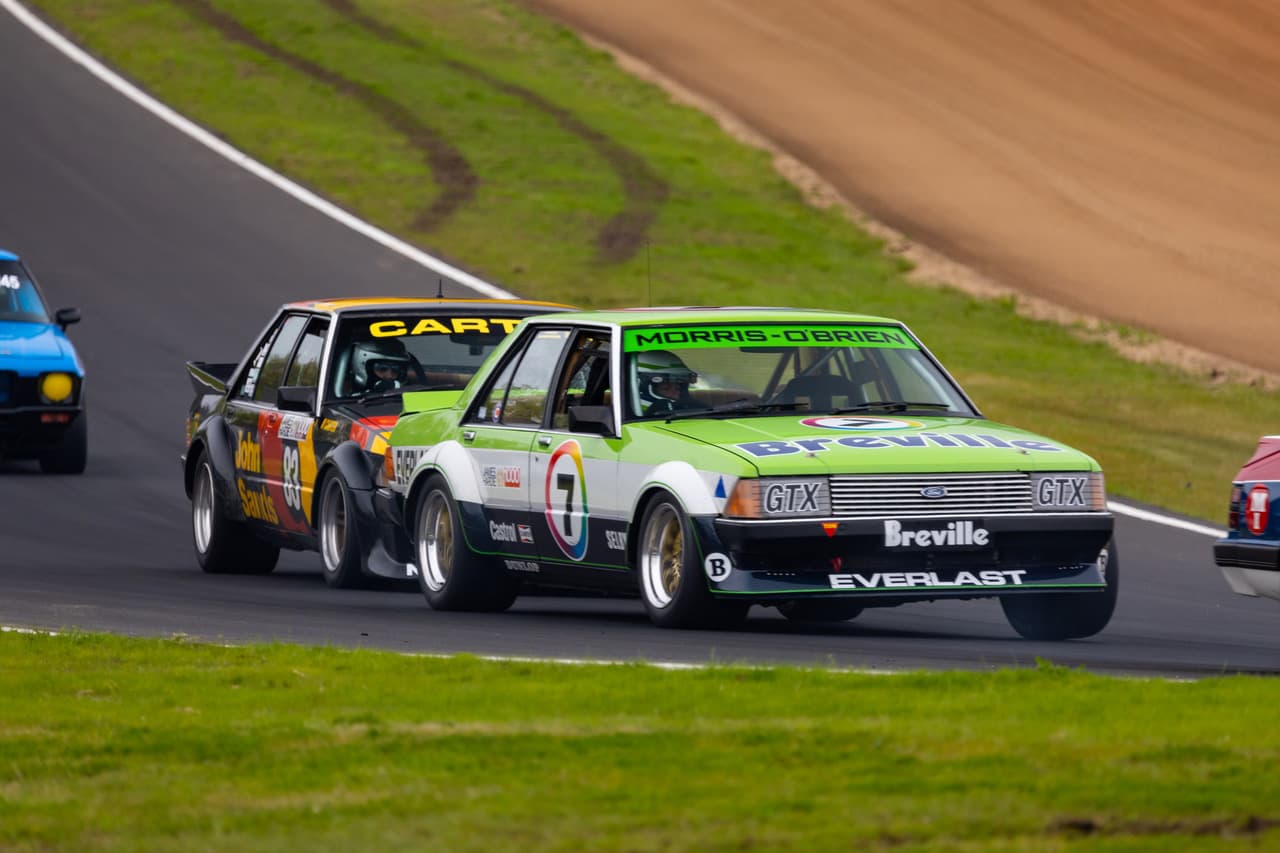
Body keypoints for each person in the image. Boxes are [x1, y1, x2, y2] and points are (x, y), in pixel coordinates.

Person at [634, 350, 699, 416]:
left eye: (678, 389)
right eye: (666, 389)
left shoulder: (699, 411)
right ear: (641, 388)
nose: (675, 395)